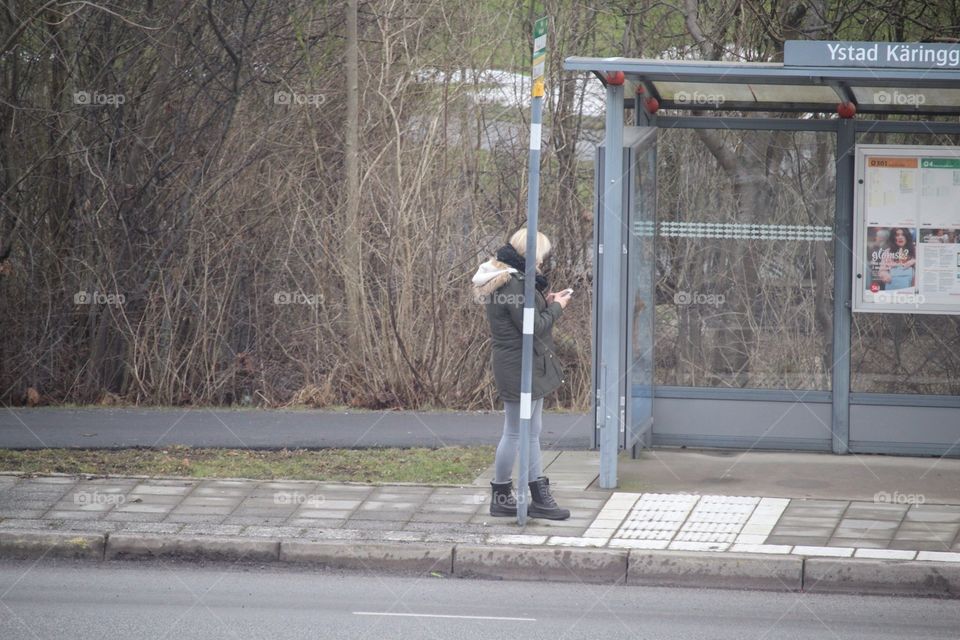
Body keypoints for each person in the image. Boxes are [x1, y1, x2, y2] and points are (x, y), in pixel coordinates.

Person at [471, 228, 572, 520]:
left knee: (528, 431)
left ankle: (510, 497)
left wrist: (546, 301)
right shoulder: (513, 284)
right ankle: (530, 497)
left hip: (522, 364)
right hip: (519, 366)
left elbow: (528, 317)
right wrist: (557, 307)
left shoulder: (509, 279)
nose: (542, 262)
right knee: (518, 432)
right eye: (540, 256)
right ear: (530, 254)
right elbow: (534, 328)